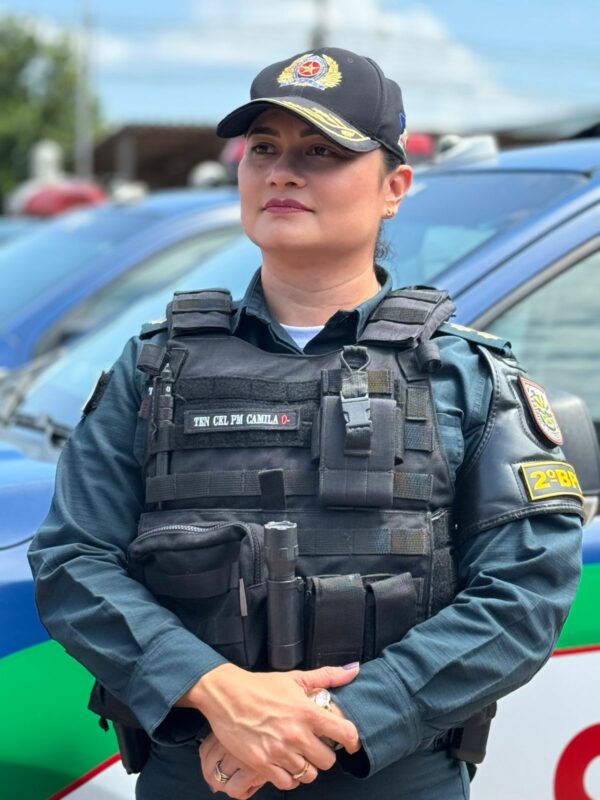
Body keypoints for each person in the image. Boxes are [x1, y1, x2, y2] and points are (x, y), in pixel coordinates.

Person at [29, 47, 584, 800]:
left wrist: (332, 720)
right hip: (197, 773)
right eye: (264, 149)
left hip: (388, 776)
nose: (283, 173)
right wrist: (218, 692)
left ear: (394, 188)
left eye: (322, 152)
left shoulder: (466, 374)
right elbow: (73, 559)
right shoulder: (152, 366)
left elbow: (525, 592)